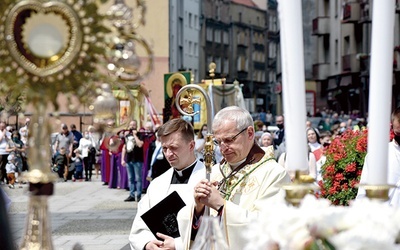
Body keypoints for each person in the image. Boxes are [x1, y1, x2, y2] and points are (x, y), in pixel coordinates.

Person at [189, 106, 291, 249]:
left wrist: (221, 205)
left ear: (250, 133)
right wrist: (198, 208)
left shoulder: (274, 174)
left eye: (229, 140)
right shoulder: (215, 171)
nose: (222, 148)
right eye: (218, 142)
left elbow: (271, 228)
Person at [129, 118, 206, 250]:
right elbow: (139, 227)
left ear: (191, 146)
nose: (168, 154)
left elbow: (218, 229)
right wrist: (148, 244)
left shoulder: (208, 179)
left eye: (174, 148)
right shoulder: (157, 184)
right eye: (164, 148)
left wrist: (179, 245)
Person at [356, 107, 400, 206]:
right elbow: (364, 191)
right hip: (385, 214)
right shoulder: (378, 155)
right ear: (392, 128)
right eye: (398, 133)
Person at [121, 120, 144, 202]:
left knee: (138, 178)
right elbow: (124, 147)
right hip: (128, 159)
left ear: (136, 126)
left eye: (134, 125)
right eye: (131, 125)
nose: (132, 126)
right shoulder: (126, 135)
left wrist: (135, 135)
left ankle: (138, 195)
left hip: (137, 159)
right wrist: (122, 159)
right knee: (130, 178)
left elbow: (140, 144)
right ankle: (131, 195)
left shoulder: (140, 134)